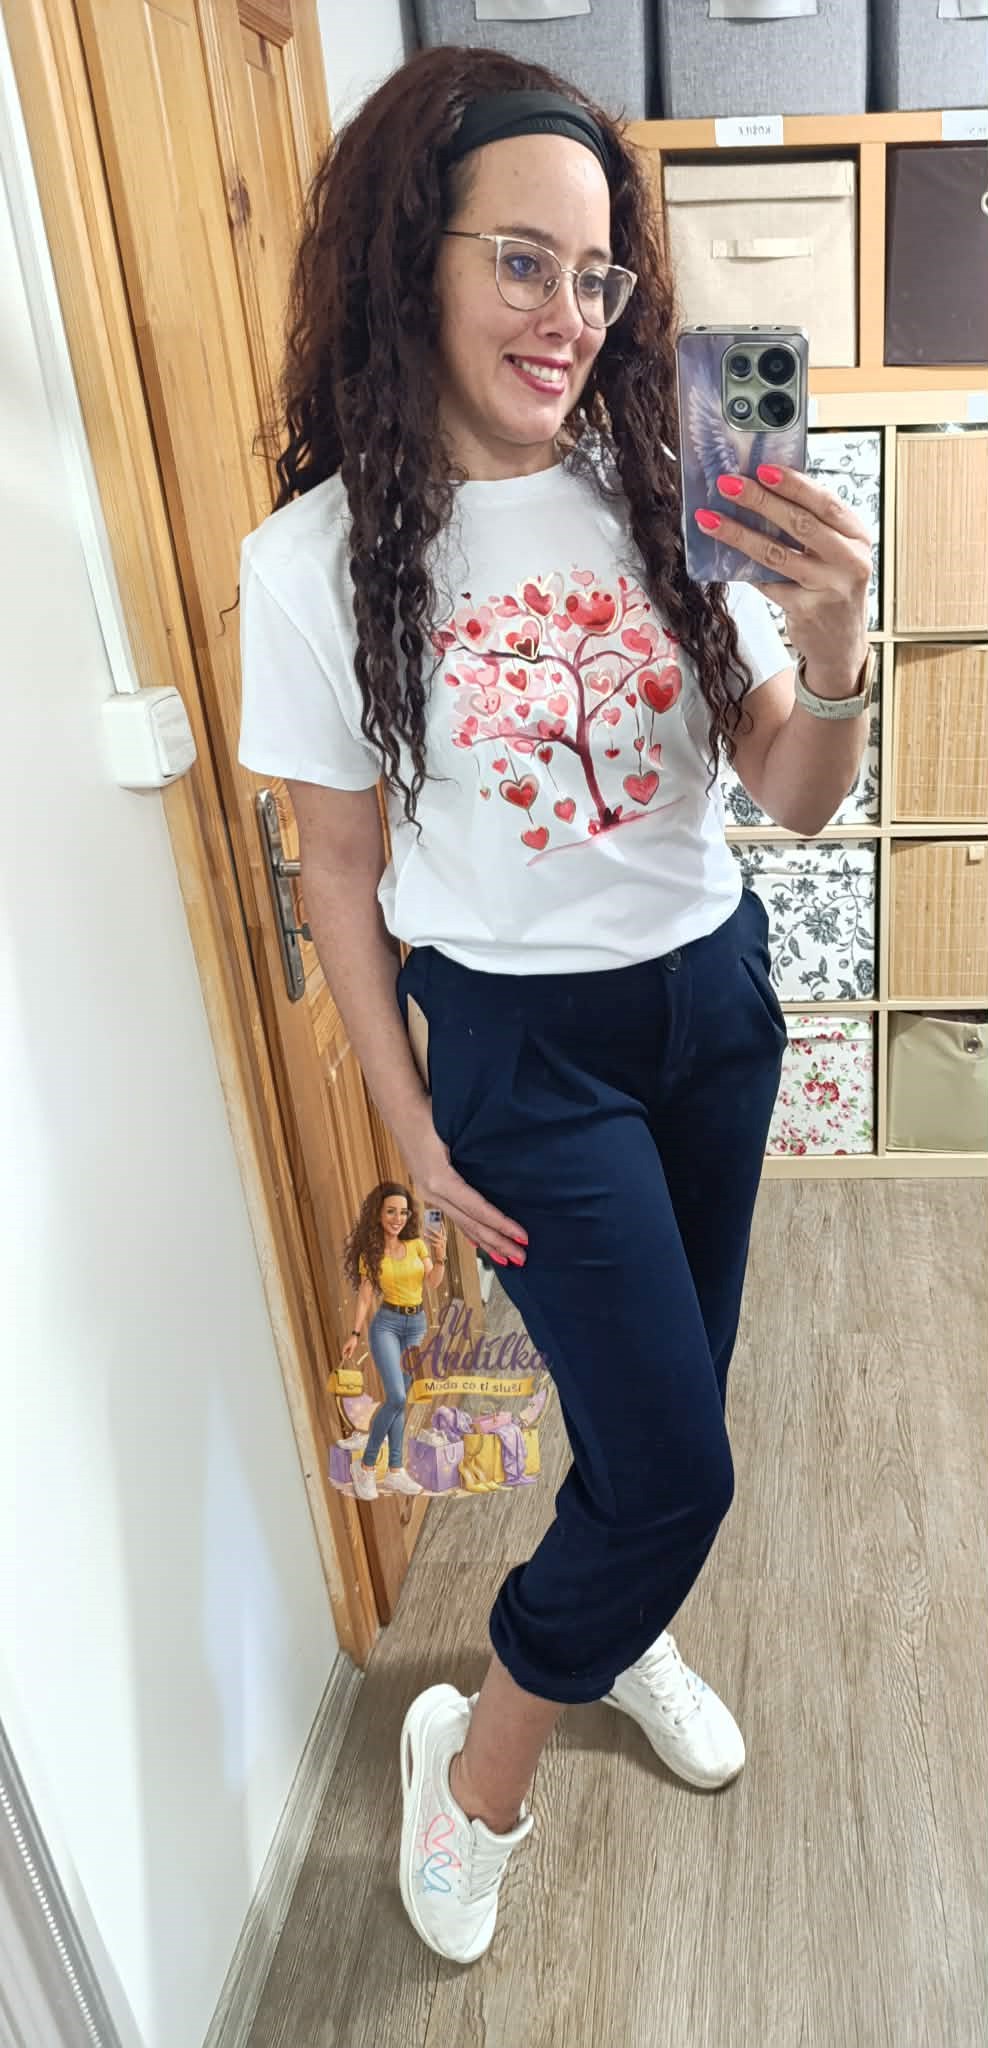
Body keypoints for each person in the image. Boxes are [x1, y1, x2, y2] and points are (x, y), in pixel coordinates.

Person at [238, 46, 872, 1967]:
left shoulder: (678, 472)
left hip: (707, 1006)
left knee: (654, 1398)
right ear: (408, 260)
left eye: (596, 275)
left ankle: (621, 1615)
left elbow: (789, 790)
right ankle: (479, 1762)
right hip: (523, 1050)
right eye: (521, 261)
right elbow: (335, 869)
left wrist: (836, 646)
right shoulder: (315, 559)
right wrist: (411, 1122)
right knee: (676, 1463)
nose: (567, 316)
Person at [341, 1181, 447, 1497]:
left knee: (399, 1400)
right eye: (390, 1212)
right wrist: (355, 1333)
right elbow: (365, 1297)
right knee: (397, 1397)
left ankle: (396, 1471)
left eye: (403, 1212)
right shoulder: (371, 1254)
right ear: (378, 1213)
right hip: (386, 1324)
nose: (397, 1218)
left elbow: (433, 1282)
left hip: (415, 1325)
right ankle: (365, 1467)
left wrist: (440, 1257)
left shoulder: (416, 1245)